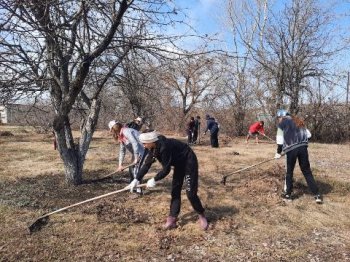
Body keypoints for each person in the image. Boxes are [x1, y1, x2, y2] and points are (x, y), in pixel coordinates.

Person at [128, 130, 208, 230]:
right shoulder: (152, 147)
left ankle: (201, 214)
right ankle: (172, 218)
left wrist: (154, 179)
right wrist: (137, 179)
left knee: (190, 193)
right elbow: (147, 164)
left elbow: (166, 169)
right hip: (178, 163)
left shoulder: (164, 147)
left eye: (144, 143)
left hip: (188, 161)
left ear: (151, 141)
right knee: (175, 191)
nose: (143, 146)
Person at [274, 109, 322, 204]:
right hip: (303, 148)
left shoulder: (281, 125)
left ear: (281, 117)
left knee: (289, 172)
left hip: (291, 150)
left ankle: (288, 194)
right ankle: (317, 195)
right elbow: (309, 135)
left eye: (278, 118)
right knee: (306, 171)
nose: (278, 120)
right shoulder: (298, 121)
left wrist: (278, 153)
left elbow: (279, 142)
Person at [108, 120, 146, 194]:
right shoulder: (121, 136)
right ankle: (133, 187)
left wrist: (136, 158)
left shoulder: (126, 131)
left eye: (112, 129)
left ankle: (139, 191)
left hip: (143, 152)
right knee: (131, 169)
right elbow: (122, 151)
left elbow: (135, 143)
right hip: (137, 153)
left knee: (136, 171)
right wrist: (120, 165)